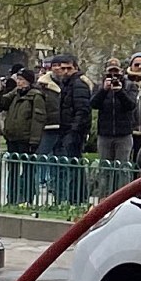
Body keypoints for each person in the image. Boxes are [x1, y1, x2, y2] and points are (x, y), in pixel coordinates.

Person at [0, 68, 45, 205]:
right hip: (12, 137)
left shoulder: (35, 96)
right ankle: (12, 198)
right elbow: (0, 103)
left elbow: (38, 119)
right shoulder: (15, 93)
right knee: (13, 170)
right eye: (18, 79)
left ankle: (27, 198)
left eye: (21, 80)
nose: (19, 82)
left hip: (26, 139)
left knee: (28, 170)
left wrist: (34, 140)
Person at [91, 58, 137, 196]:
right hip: (105, 133)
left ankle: (123, 197)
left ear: (121, 71)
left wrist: (120, 92)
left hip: (124, 134)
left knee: (123, 168)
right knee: (105, 168)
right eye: (110, 72)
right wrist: (104, 90)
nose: (113, 75)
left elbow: (131, 105)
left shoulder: (129, 86)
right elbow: (93, 104)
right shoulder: (99, 86)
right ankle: (105, 197)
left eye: (116, 72)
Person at [51, 53, 92, 204]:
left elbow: (82, 110)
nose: (65, 71)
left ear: (75, 67)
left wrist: (75, 130)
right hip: (66, 128)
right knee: (70, 164)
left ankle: (77, 198)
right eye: (63, 68)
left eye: (68, 68)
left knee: (74, 165)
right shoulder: (67, 84)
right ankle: (73, 197)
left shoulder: (78, 84)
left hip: (74, 131)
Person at [123, 52, 141, 160]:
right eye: (136, 64)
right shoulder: (124, 83)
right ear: (131, 65)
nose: (140, 67)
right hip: (127, 128)